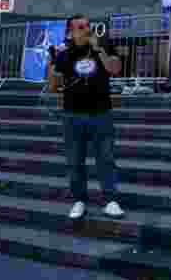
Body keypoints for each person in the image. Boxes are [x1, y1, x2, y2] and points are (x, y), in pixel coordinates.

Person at [47, 14, 125, 220]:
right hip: (73, 114)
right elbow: (53, 87)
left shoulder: (104, 45)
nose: (87, 29)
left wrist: (98, 49)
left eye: (88, 26)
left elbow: (114, 69)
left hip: (101, 113)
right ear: (71, 32)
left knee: (106, 158)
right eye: (81, 27)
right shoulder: (65, 53)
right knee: (75, 161)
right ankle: (79, 200)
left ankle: (111, 201)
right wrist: (52, 61)